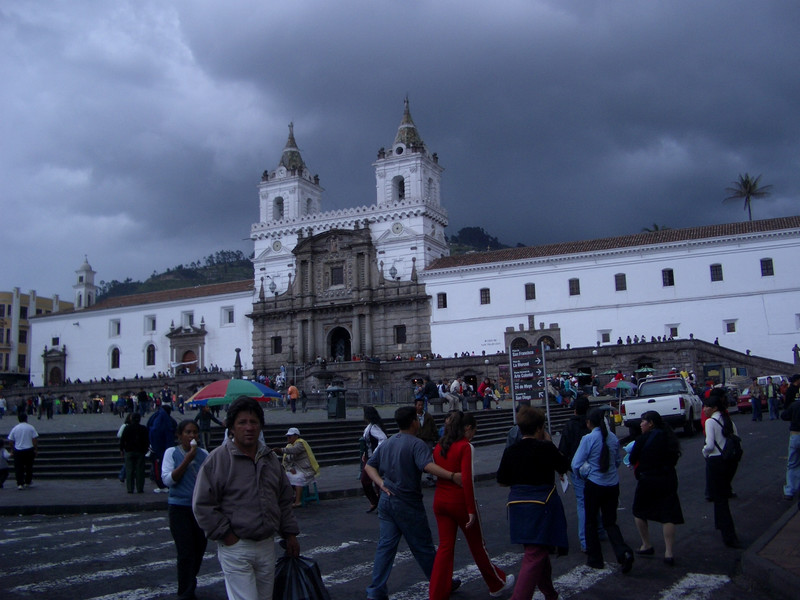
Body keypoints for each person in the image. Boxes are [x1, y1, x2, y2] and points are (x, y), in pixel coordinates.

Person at [193, 396, 299, 600]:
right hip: (237, 546)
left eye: (253, 422)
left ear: (261, 427)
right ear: (231, 428)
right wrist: (227, 536)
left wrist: (290, 533)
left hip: (266, 544)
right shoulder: (218, 459)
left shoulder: (269, 459)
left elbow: (284, 499)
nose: (249, 428)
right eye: (242, 422)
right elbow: (202, 504)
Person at [363, 406, 463, 600]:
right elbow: (427, 466)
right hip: (407, 501)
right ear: (414, 422)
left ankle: (376, 591)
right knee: (423, 547)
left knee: (385, 546)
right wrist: (452, 476)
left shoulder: (388, 442)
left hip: (386, 500)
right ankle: (441, 582)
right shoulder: (417, 444)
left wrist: (381, 483)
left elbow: (369, 466)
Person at [430, 411, 514, 599]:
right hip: (459, 501)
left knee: (444, 548)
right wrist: (471, 509)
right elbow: (467, 480)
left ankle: (436, 594)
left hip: (440, 501)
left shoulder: (439, 446)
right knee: (477, 545)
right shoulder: (465, 447)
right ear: (466, 428)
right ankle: (496, 583)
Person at [497, 406, 569, 600]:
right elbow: (563, 466)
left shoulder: (511, 451)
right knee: (535, 553)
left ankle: (550, 593)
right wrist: (549, 442)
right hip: (541, 504)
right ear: (540, 428)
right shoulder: (545, 448)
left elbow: (502, 480)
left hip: (517, 504)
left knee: (538, 550)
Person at [571, 408, 634, 573]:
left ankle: (595, 559)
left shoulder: (588, 439)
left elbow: (576, 463)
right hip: (612, 485)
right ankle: (623, 552)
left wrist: (585, 473)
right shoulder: (612, 438)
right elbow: (617, 460)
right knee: (610, 522)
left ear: (589, 423)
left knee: (591, 522)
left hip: (594, 484)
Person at [629, 411, 684, 565]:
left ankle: (646, 543)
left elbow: (633, 458)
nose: (641, 424)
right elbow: (674, 459)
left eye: (643, 421)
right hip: (668, 478)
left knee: (639, 512)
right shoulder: (669, 438)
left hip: (648, 479)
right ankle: (669, 552)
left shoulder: (642, 439)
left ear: (651, 423)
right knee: (668, 515)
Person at [162, 420, 209, 600]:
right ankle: (185, 592)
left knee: (199, 548)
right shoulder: (171, 453)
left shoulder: (204, 454)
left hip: (199, 508)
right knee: (185, 551)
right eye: (188, 432)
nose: (192, 436)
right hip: (179, 508)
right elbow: (168, 480)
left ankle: (191, 580)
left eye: (195, 432)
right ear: (179, 435)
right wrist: (187, 459)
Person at [557, 395, 603, 553]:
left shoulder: (570, 425)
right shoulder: (594, 424)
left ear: (575, 409)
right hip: (595, 468)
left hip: (577, 469)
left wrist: (561, 470)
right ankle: (600, 530)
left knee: (583, 503)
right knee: (595, 499)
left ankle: (585, 540)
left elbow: (563, 450)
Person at [702, 389, 741, 547]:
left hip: (715, 461)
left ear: (714, 408)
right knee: (723, 495)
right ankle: (722, 527)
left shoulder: (710, 422)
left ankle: (728, 534)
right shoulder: (728, 420)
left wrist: (704, 451)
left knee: (719, 499)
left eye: (707, 407)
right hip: (729, 461)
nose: (704, 409)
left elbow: (709, 445)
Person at [274, 427, 320, 507]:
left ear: (296, 436)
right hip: (296, 469)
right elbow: (286, 462)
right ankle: (288, 498)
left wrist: (281, 450)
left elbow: (294, 450)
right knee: (283, 477)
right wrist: (289, 468)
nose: (288, 438)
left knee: (298, 478)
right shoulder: (289, 446)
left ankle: (298, 501)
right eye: (288, 436)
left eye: (290, 436)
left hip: (306, 470)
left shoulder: (301, 444)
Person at [361, 406, 388, 513]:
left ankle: (379, 502)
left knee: (373, 480)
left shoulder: (374, 427)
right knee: (367, 480)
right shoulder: (370, 427)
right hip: (369, 456)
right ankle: (376, 501)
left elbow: (383, 439)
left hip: (373, 458)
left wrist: (375, 452)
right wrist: (365, 452)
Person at [780, 374, 800, 505]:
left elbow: (784, 415)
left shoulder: (795, 405)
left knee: (792, 463)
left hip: (795, 434)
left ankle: (789, 490)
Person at [149, 404, 177, 493]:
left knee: (159, 466)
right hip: (167, 447)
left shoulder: (157, 419)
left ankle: (162, 484)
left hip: (159, 448)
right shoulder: (169, 420)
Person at [7, 412, 39, 490]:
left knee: (18, 467)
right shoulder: (31, 427)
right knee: (29, 467)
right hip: (29, 449)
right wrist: (35, 449)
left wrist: (12, 448)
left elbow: (10, 440)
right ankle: (28, 481)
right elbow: (34, 439)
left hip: (18, 450)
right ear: (26, 419)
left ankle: (20, 483)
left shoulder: (15, 428)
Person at [120, 412, 150, 493]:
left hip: (129, 451)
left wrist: (121, 449)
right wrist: (145, 449)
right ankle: (140, 488)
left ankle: (130, 488)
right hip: (140, 451)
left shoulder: (127, 428)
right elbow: (147, 440)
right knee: (140, 471)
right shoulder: (143, 428)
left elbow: (122, 440)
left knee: (129, 471)